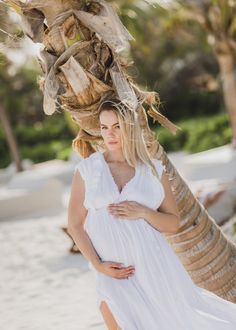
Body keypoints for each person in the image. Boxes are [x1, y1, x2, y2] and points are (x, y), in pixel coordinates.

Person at [68, 101, 236, 330]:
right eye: (104, 127)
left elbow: (172, 223)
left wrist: (144, 212)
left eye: (117, 126)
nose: (110, 134)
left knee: (177, 321)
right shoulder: (87, 169)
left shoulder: (153, 169)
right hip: (111, 270)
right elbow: (75, 224)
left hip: (153, 266)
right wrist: (97, 264)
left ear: (130, 126)